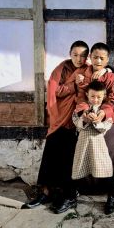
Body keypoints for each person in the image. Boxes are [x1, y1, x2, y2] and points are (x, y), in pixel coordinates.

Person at [24, 40, 89, 212]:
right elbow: (55, 91)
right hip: (58, 118)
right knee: (50, 154)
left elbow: (91, 91)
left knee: (70, 159)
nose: (79, 58)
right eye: (75, 54)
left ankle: (69, 196)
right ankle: (45, 192)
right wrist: (73, 84)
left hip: (76, 120)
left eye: (83, 55)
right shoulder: (61, 69)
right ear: (70, 54)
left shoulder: (88, 70)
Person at [74, 42, 114, 212]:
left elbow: (113, 101)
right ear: (90, 57)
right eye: (95, 57)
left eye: (102, 58)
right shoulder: (83, 74)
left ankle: (111, 195)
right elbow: (80, 97)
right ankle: (87, 189)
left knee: (112, 156)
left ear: (107, 59)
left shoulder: (111, 76)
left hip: (109, 121)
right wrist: (85, 112)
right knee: (90, 154)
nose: (98, 61)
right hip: (90, 120)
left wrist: (103, 114)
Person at [71, 81, 114, 199]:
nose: (95, 100)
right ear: (87, 94)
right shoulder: (81, 108)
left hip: (98, 142)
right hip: (83, 142)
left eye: (99, 97)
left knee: (104, 166)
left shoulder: (105, 111)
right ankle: (73, 195)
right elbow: (76, 122)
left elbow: (107, 126)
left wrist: (97, 122)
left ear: (104, 96)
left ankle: (111, 196)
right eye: (92, 96)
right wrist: (85, 120)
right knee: (79, 165)